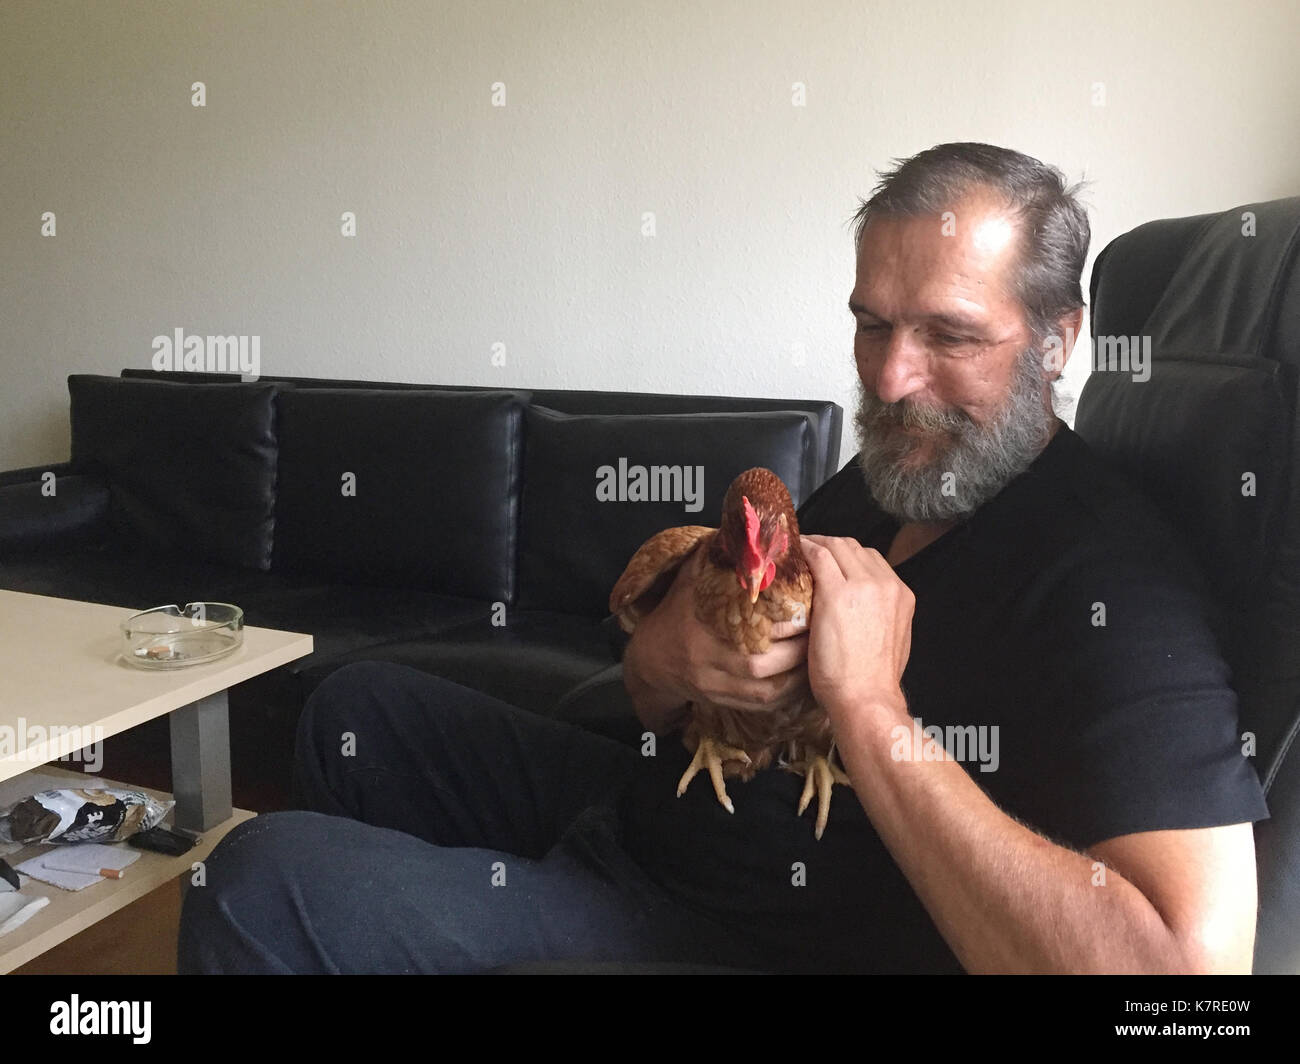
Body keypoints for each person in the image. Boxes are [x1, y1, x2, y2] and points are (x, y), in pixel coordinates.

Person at [178, 142, 1268, 974]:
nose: (889, 378)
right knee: (353, 706)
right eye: (869, 323)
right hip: (651, 815)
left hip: (734, 931)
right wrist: (664, 659)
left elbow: (1181, 976)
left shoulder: (1112, 584)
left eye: (949, 333)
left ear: (1058, 339)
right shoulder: (884, 482)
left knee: (254, 878)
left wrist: (872, 714)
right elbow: (669, 688)